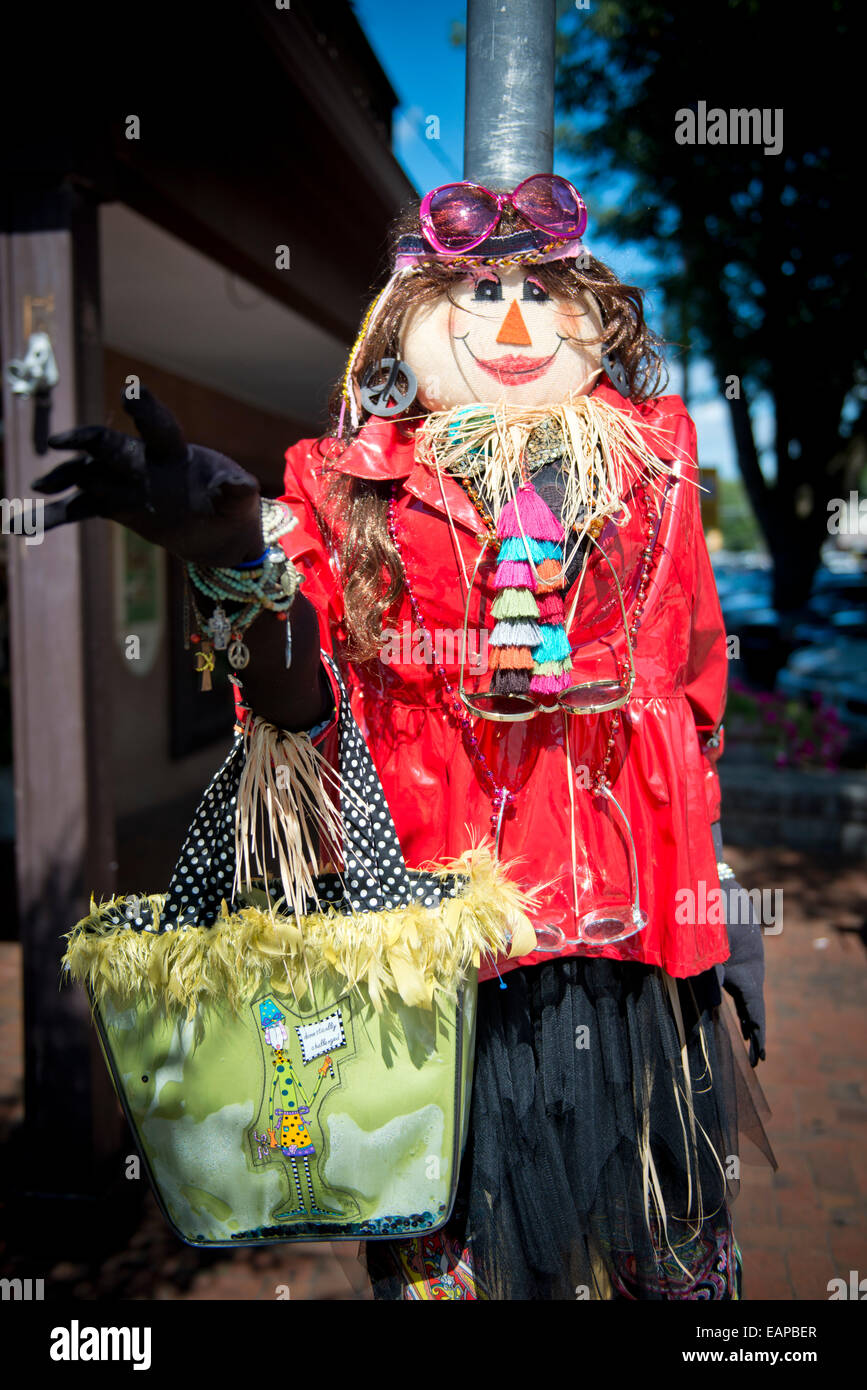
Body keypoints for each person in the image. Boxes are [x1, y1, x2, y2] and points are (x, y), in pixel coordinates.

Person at [36, 175, 772, 1300]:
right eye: (479, 291)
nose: (517, 326)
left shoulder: (659, 466)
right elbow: (296, 714)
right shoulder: (340, 487)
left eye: (544, 289)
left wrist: (721, 912)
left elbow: (693, 690)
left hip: (635, 971)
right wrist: (233, 554)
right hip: (432, 975)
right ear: (405, 320)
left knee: (671, 1277)